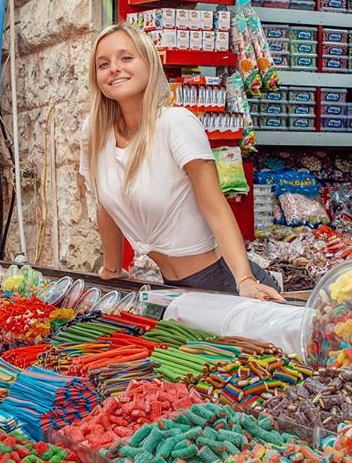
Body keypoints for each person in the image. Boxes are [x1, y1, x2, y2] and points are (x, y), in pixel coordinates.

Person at [80, 23, 282, 300]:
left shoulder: (176, 123)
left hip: (226, 282)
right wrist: (112, 269)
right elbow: (106, 205)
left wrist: (245, 280)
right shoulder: (95, 131)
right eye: (103, 64)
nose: (114, 67)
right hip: (175, 288)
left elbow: (215, 207)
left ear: (149, 63)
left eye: (126, 57)